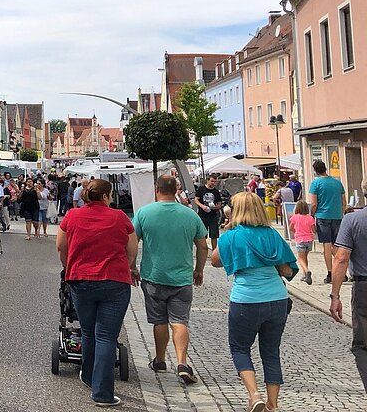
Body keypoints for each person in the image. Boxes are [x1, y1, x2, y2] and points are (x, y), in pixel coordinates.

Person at [211, 191, 296, 412]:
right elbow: (287, 270)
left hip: (246, 300)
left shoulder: (232, 236)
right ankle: (273, 405)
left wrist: (228, 235)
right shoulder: (272, 235)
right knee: (271, 351)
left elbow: (215, 261)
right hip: (277, 299)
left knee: (239, 348)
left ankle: (254, 394)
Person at [57, 179, 138, 407]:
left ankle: (88, 375)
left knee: (88, 331)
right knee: (106, 336)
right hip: (114, 282)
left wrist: (68, 267)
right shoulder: (120, 217)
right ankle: (102, 393)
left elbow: (61, 246)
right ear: (105, 196)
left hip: (80, 280)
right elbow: (132, 249)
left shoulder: (72, 216)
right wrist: (127, 266)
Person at [132, 175, 208, 384]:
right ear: (176, 190)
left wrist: (132, 267)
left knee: (159, 321)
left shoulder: (144, 213)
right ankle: (182, 363)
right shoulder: (190, 215)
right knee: (180, 321)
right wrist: (198, 269)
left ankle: (159, 359)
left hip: (153, 276)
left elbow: (132, 242)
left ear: (157, 189)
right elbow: (203, 245)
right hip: (182, 278)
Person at [328, 179, 367, 394]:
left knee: (362, 345)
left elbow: (341, 258)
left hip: (364, 288)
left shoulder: (352, 220)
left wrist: (335, 295)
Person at [308, 159, 347, 283]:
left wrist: (311, 215)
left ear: (315, 170)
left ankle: (330, 273)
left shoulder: (315, 183)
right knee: (337, 245)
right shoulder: (337, 182)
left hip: (322, 216)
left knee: (327, 245)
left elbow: (314, 204)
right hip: (337, 216)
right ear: (325, 168)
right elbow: (344, 202)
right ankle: (343, 271)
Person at [289, 200, 316, 284]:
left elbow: (290, 228)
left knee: (300, 258)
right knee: (305, 258)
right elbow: (314, 230)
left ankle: (307, 271)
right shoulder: (310, 218)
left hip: (300, 239)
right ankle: (304, 275)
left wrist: (296, 231)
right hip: (309, 240)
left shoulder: (295, 217)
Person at [194, 175, 224, 251]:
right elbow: (196, 199)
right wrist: (202, 206)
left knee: (214, 235)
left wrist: (216, 207)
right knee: (202, 235)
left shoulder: (216, 191)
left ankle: (214, 251)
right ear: (207, 180)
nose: (213, 183)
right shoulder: (201, 189)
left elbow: (219, 203)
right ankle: (202, 249)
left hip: (213, 215)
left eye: (215, 181)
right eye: (212, 181)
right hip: (202, 215)